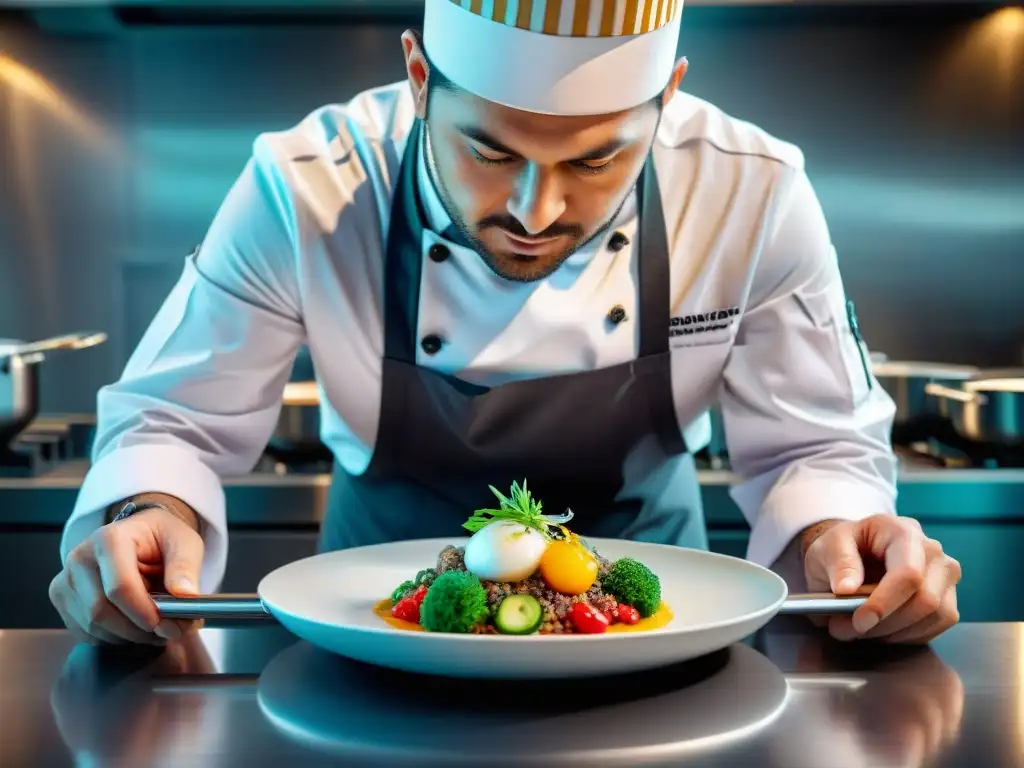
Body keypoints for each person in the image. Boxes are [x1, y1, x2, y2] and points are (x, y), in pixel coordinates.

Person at [50, 0, 960, 647]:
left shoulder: (752, 192)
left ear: (668, 97)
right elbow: (172, 421)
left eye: (599, 158)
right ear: (417, 78)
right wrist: (146, 511)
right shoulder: (304, 189)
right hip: (381, 630)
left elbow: (819, 451)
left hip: (656, 636)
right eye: (489, 149)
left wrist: (841, 540)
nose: (537, 208)